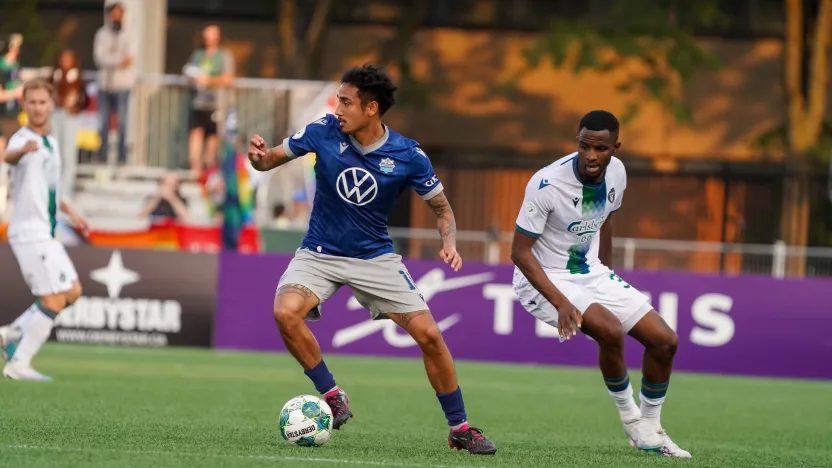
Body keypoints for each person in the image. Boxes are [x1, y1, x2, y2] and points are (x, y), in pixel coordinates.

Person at [247, 64, 497, 455]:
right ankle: (331, 394)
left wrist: (449, 242)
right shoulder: (323, 131)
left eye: (346, 102)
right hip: (319, 253)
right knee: (285, 312)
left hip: (375, 258)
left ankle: (460, 428)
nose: (338, 108)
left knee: (430, 336)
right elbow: (269, 161)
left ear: (372, 108)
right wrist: (259, 158)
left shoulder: (408, 155)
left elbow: (443, 210)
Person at [510, 110, 690, 458]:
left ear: (615, 148)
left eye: (601, 149)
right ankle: (631, 421)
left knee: (665, 341)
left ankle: (651, 427)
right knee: (610, 331)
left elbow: (605, 220)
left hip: (588, 270)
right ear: (577, 141)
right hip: (542, 277)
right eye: (584, 146)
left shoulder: (617, 173)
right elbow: (519, 253)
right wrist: (561, 301)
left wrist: (606, 270)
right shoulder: (547, 184)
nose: (591, 156)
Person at [0, 79, 90, 381]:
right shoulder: (20, 139)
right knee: (52, 299)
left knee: (72, 292)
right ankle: (19, 363)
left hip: (47, 232)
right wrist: (22, 151)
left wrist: (73, 214)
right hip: (27, 232)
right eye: (32, 102)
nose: (38, 107)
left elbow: (51, 190)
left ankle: (10, 333)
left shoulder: (51, 144)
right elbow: (9, 157)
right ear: (24, 105)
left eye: (42, 102)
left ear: (51, 105)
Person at [183, 25, 235, 178]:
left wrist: (209, 80)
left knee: (213, 136)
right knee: (195, 132)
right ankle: (195, 169)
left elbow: (228, 78)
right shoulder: (198, 55)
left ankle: (209, 168)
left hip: (216, 102)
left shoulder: (224, 56)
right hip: (198, 101)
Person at [93, 1, 135, 165]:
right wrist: (118, 61)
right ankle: (102, 156)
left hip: (122, 85)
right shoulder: (101, 34)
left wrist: (111, 61)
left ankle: (122, 157)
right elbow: (99, 57)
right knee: (102, 122)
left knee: (123, 122)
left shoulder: (129, 34)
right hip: (105, 84)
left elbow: (130, 59)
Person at [51, 48, 90, 199]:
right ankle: (55, 188)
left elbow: (82, 98)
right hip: (57, 114)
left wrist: (74, 106)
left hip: (71, 116)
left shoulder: (77, 77)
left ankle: (66, 191)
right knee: (56, 152)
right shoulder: (56, 75)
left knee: (68, 153)